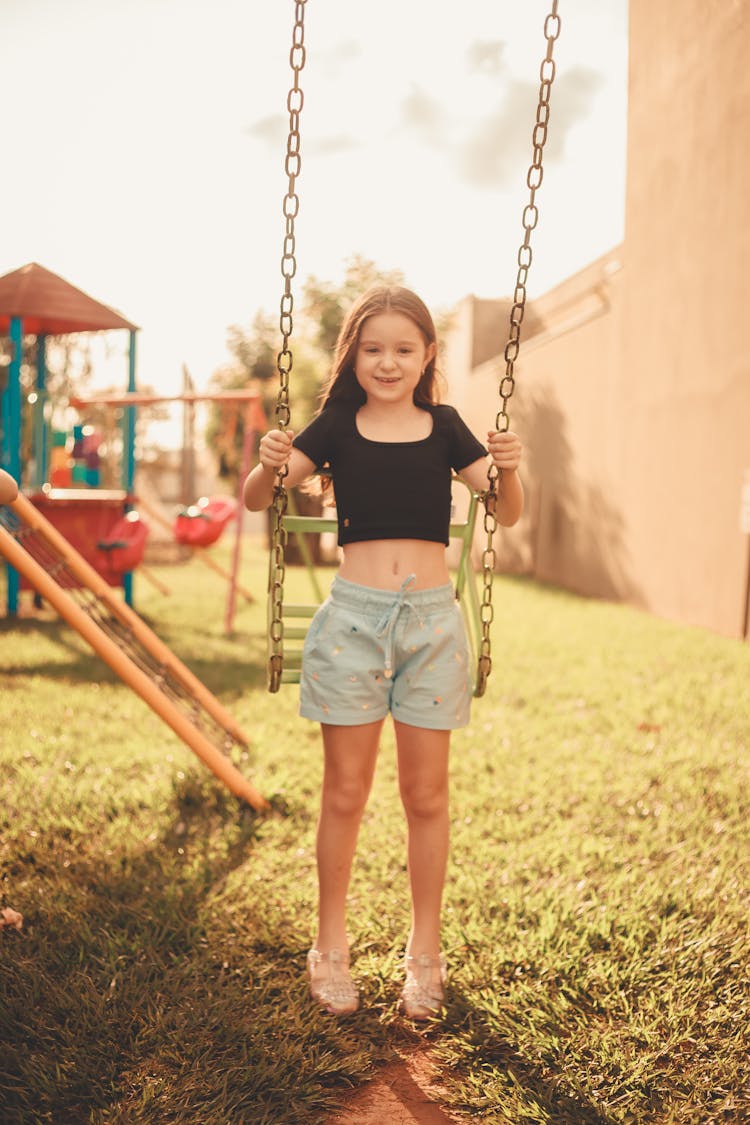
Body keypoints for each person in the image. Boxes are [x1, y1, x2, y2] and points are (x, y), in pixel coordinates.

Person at [243, 285, 523, 1019]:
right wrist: (270, 460)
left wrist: (511, 466)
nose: (388, 362)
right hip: (353, 624)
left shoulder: (447, 426)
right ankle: (328, 944)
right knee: (345, 791)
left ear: (428, 354)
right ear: (353, 356)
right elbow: (254, 498)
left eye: (404, 348)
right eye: (373, 349)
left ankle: (423, 951)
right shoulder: (335, 426)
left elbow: (506, 506)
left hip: (432, 625)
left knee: (426, 795)